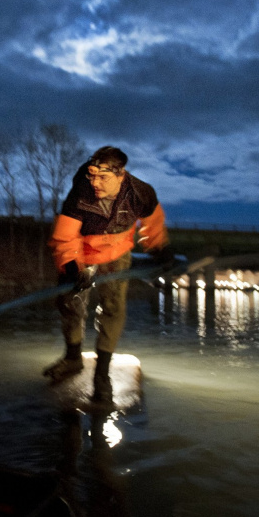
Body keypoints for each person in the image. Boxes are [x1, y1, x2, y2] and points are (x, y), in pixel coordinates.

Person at [44, 146, 173, 402]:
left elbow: (153, 224)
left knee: (113, 307)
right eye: (92, 175)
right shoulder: (81, 191)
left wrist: (159, 249)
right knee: (71, 304)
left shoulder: (141, 193)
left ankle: (101, 373)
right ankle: (72, 358)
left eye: (103, 177)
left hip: (116, 254)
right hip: (83, 252)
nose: (95, 182)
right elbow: (65, 235)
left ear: (120, 174)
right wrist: (72, 267)